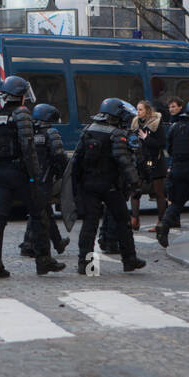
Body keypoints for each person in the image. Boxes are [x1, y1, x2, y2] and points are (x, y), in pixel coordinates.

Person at [0, 75, 63, 277]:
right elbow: (28, 147)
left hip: (1, 172)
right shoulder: (22, 114)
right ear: (19, 96)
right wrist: (34, 175)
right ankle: (43, 260)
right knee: (39, 214)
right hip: (20, 172)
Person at [73, 98, 146, 274]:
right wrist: (135, 182)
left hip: (89, 184)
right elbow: (124, 161)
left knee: (89, 225)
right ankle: (129, 260)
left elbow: (76, 160)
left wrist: (77, 186)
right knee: (122, 222)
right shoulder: (116, 133)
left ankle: (86, 265)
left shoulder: (88, 130)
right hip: (110, 186)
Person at [20, 102, 69, 257]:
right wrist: (63, 172)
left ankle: (58, 243)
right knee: (42, 212)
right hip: (46, 178)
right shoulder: (51, 133)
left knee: (44, 210)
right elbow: (60, 156)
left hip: (31, 178)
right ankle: (30, 245)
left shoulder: (30, 133)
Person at [156, 100, 189, 248]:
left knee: (177, 203)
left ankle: (164, 225)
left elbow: (169, 149)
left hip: (177, 168)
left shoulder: (175, 127)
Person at [130, 100, 167, 232]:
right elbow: (132, 140)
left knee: (158, 192)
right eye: (137, 109)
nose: (138, 112)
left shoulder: (156, 123)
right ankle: (135, 220)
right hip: (140, 161)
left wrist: (146, 138)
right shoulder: (135, 123)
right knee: (135, 190)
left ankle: (161, 221)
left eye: (140, 109)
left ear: (147, 110)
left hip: (155, 161)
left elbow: (162, 143)